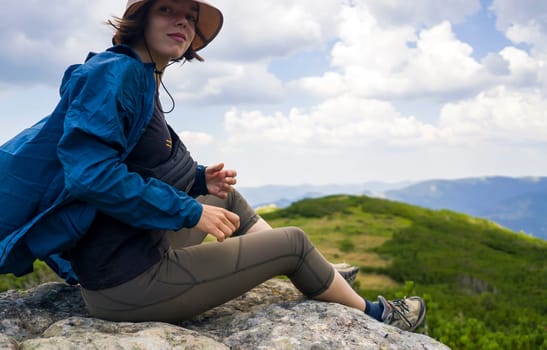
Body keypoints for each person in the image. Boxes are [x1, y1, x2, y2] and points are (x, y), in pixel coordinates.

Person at [0, 0, 426, 332]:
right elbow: (90, 174)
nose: (182, 23)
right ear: (141, 18)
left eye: (190, 17)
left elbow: (139, 164)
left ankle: (324, 275)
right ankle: (376, 314)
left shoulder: (142, 77)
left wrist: (201, 181)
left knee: (223, 194)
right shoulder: (117, 74)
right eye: (167, 9)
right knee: (292, 243)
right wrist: (191, 211)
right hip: (126, 282)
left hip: (133, 247)